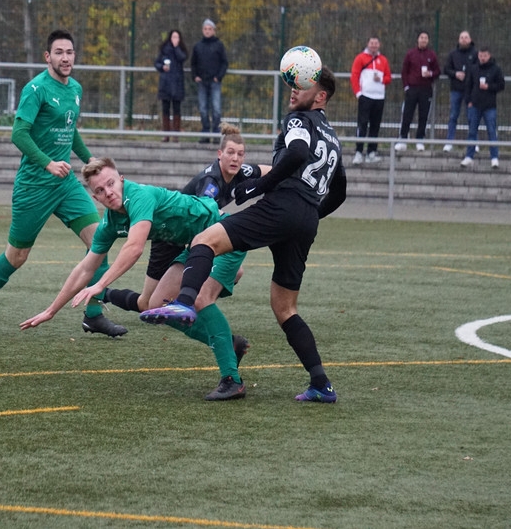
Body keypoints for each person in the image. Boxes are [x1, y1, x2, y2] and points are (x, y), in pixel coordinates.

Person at [140, 66, 347, 404]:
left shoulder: (299, 119)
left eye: (303, 84)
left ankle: (184, 303)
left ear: (320, 96)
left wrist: (257, 187)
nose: (294, 88)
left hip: (283, 206)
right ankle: (321, 383)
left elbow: (296, 153)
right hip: (306, 217)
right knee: (285, 308)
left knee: (204, 240)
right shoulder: (333, 139)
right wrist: (309, 215)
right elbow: (340, 192)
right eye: (294, 82)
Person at [19, 157, 249, 400]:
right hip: (197, 246)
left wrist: (100, 285)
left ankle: (232, 381)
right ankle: (229, 344)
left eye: (110, 184)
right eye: (100, 190)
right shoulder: (110, 222)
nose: (108, 192)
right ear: (95, 198)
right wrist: (51, 310)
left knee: (201, 298)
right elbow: (85, 268)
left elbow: (134, 248)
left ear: (121, 179)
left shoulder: (139, 196)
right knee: (157, 304)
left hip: (223, 234)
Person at [0, 29, 126, 337]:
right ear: (47, 57)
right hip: (34, 187)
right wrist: (48, 163)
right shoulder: (36, 89)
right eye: (59, 52)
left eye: (70, 52)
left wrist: (93, 164)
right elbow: (18, 134)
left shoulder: (75, 89)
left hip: (65, 185)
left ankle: (93, 315)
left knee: (100, 242)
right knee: (17, 256)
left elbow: (70, 131)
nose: (65, 58)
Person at [105, 123, 270, 317]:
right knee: (146, 304)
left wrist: (290, 174)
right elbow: (200, 224)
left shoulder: (241, 170)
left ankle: (191, 303)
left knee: (236, 271)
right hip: (168, 237)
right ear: (220, 154)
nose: (235, 158)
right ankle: (104, 294)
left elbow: (267, 170)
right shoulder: (210, 184)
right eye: (230, 153)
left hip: (190, 235)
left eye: (240, 154)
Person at [394, 31, 440, 152]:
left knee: (423, 116)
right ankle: (403, 139)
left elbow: (437, 71)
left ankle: (420, 140)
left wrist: (430, 74)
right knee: (407, 114)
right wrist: (406, 87)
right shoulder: (410, 54)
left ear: (428, 40)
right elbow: (404, 71)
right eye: (421, 37)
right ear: (418, 39)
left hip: (426, 89)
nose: (423, 40)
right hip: (412, 89)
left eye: (426, 38)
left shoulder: (432, 55)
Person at [461, 47, 505, 169]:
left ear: (489, 56)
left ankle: (494, 157)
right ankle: (469, 156)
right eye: (480, 55)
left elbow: (501, 85)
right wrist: (468, 101)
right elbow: (468, 86)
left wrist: (489, 87)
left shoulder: (496, 69)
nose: (482, 58)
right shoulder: (473, 68)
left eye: (484, 55)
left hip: (489, 106)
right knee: (472, 131)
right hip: (474, 105)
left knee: (491, 131)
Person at [349, 36, 392, 164]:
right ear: (368, 44)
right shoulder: (360, 58)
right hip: (365, 96)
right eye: (371, 43)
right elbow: (354, 76)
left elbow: (388, 77)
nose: (374, 45)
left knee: (375, 126)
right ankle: (358, 152)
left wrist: (381, 79)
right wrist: (358, 93)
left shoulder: (383, 60)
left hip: (379, 97)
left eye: (376, 43)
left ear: (379, 45)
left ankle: (371, 152)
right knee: (362, 124)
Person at [190, 19, 228, 142]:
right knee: (203, 109)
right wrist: (195, 76)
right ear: (202, 30)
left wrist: (219, 76)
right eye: (205, 29)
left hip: (215, 81)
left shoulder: (219, 45)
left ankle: (216, 134)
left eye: (209, 29)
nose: (207, 31)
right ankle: (205, 133)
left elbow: (224, 63)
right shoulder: (198, 46)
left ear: (214, 31)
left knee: (216, 109)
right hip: (202, 82)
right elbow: (193, 63)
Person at [443, 31, 478, 153]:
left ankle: (473, 142)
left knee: (472, 117)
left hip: (471, 91)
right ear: (458, 40)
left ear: (470, 39)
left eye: (466, 37)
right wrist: (455, 74)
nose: (464, 39)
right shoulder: (453, 54)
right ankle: (449, 142)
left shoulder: (475, 54)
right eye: (461, 37)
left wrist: (469, 76)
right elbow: (446, 69)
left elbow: (479, 70)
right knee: (453, 116)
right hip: (456, 90)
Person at [155, 29, 187, 141]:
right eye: (173, 37)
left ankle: (176, 134)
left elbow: (182, 58)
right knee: (165, 109)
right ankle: (166, 134)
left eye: (177, 37)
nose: (175, 39)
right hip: (165, 83)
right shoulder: (164, 49)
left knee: (177, 109)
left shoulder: (181, 49)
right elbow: (157, 63)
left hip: (177, 83)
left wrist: (176, 47)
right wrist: (162, 67)